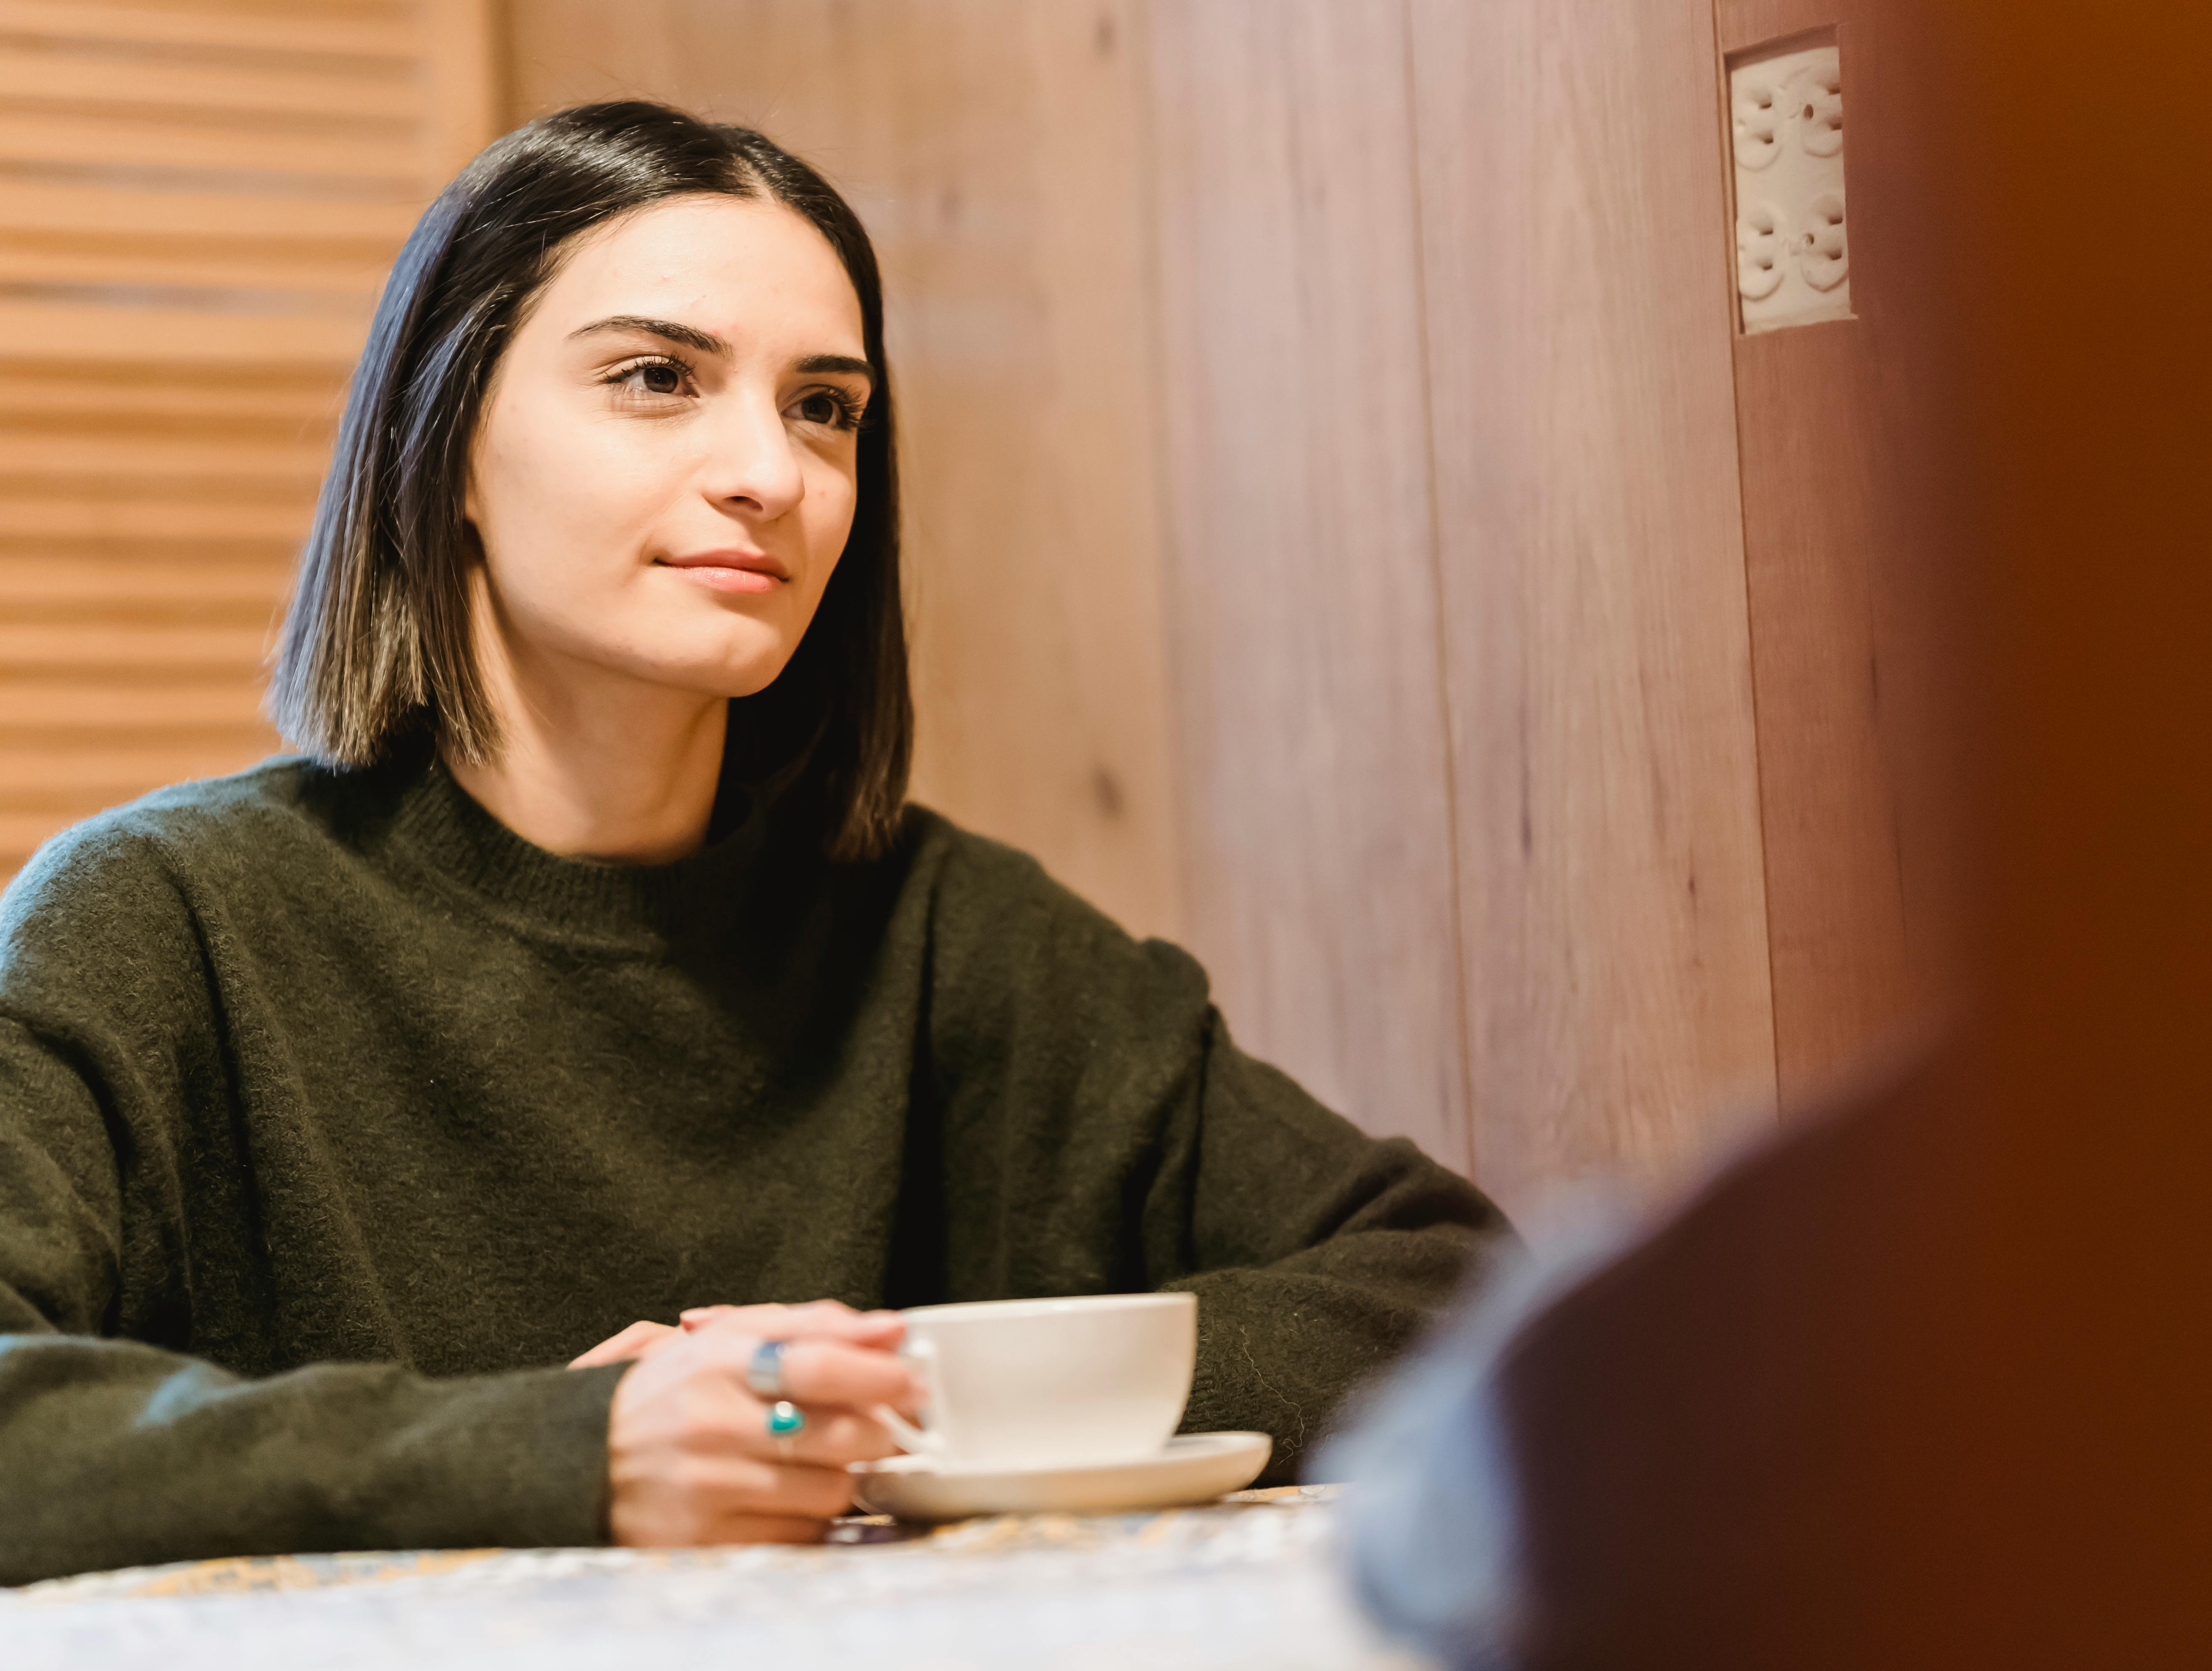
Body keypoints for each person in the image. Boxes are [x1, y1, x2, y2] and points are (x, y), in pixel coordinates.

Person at [0, 101, 1504, 1587]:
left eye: (824, 407)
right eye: (658, 378)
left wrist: (887, 1391)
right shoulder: (157, 921)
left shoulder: (948, 935)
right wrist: (559, 1449)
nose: (772, 476)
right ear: (442, 440)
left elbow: (1453, 1282)